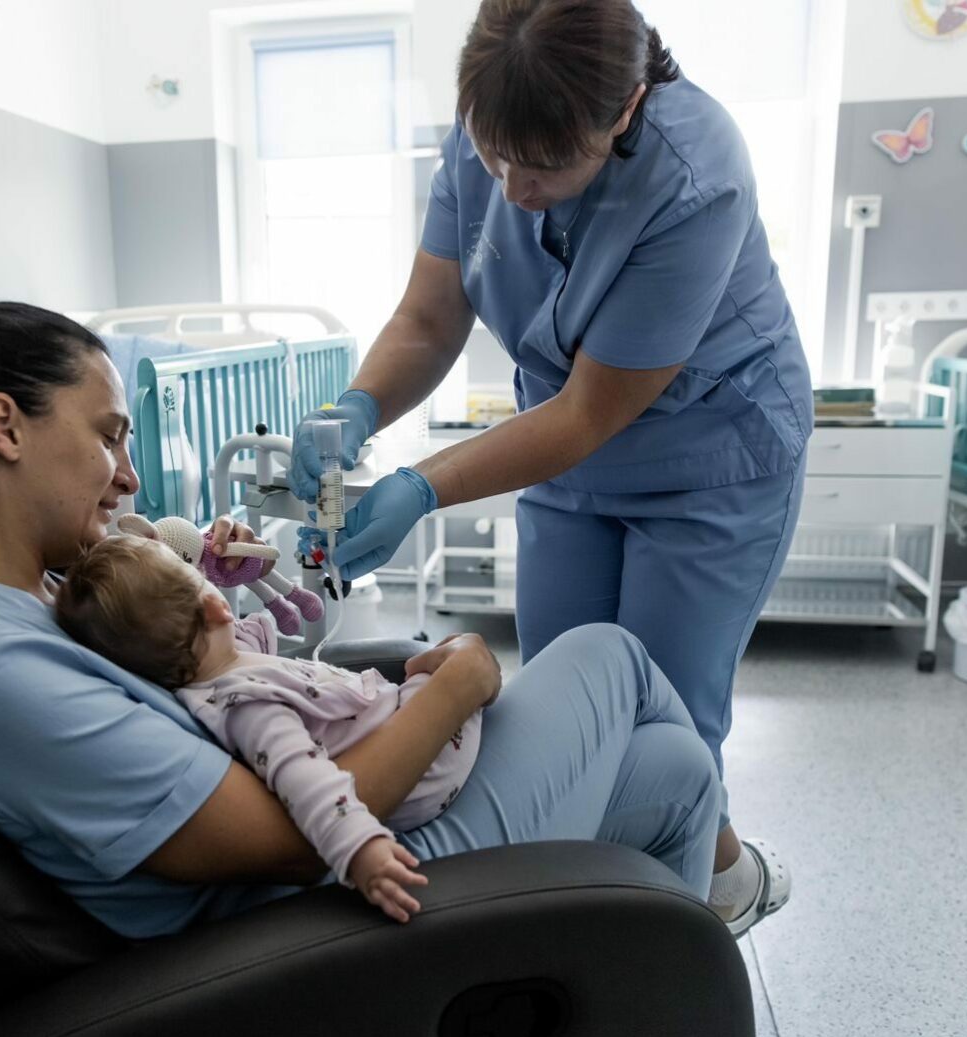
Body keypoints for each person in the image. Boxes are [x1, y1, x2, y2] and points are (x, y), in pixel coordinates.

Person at [0, 300, 724, 942]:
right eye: (109, 437)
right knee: (609, 655)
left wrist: (206, 595)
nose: (130, 477)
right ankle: (724, 881)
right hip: (335, 905)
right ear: (4, 426)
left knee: (678, 772)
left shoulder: (43, 590)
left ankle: (661, 978)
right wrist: (456, 684)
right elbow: (290, 840)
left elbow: (206, 689)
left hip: (364, 833)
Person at [288, 0, 807, 935]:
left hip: (710, 457)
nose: (515, 189)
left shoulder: (697, 177)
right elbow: (428, 318)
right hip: (568, 461)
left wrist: (422, 485)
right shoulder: (490, 126)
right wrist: (356, 406)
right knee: (558, 723)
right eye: (495, 159)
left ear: (625, 110)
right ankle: (628, 912)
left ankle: (685, 933)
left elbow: (590, 412)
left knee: (672, 723)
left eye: (545, 168)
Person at [55, 533, 486, 923]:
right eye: (198, 576)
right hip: (429, 770)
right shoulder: (248, 706)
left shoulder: (218, 665)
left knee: (439, 658)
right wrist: (361, 849)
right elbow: (305, 779)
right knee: (439, 660)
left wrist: (215, 571)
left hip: (414, 746)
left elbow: (238, 631)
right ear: (216, 608)